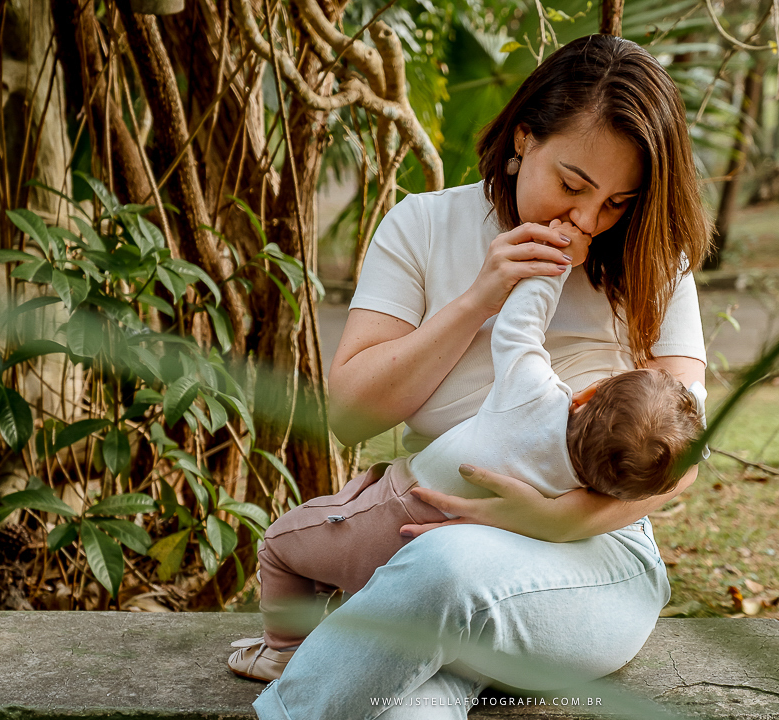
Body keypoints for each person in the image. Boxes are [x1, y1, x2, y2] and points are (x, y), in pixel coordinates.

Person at [251, 33, 711, 719]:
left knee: (448, 568)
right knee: (407, 704)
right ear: (524, 137)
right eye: (572, 185)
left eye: (618, 202)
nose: (587, 221)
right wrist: (478, 301)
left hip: (587, 564)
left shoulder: (653, 261)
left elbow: (685, 457)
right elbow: (348, 414)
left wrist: (552, 519)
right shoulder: (423, 226)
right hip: (417, 561)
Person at [228, 226, 707, 680]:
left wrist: (557, 261)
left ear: (586, 393)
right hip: (470, 554)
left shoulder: (533, 397)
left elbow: (520, 327)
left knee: (280, 546)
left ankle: (283, 653)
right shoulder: (585, 486)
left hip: (393, 517)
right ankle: (328, 632)